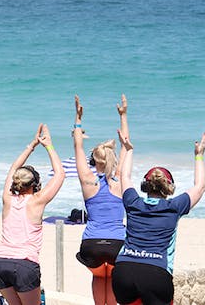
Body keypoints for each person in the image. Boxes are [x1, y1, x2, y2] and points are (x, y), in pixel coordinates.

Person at [112, 129, 205, 305]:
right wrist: (199, 155)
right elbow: (200, 186)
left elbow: (124, 176)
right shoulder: (174, 207)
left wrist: (129, 149)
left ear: (145, 186)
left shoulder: (133, 202)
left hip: (124, 270)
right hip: (156, 274)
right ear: (169, 187)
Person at [0, 124, 65, 305]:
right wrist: (49, 146)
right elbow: (60, 174)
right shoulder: (37, 201)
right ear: (35, 184)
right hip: (24, 264)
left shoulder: (7, 198)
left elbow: (13, 167)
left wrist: (31, 146)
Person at [73, 95, 128, 305]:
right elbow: (126, 146)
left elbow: (77, 147)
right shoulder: (121, 180)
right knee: (112, 277)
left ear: (94, 159)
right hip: (117, 242)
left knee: (98, 276)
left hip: (92, 243)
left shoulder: (87, 180)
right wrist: (123, 116)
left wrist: (78, 119)